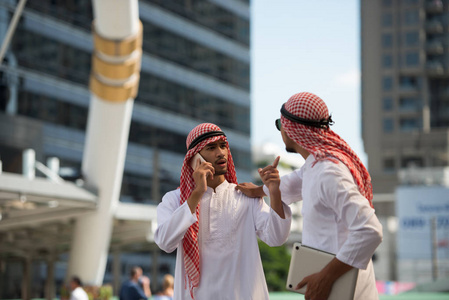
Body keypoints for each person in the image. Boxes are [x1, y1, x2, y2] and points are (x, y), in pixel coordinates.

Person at [236, 92, 383, 300]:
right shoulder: (314, 165)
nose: (280, 131)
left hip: (344, 291)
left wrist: (325, 278)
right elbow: (290, 185)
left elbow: (370, 231)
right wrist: (259, 190)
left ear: (291, 128)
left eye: (280, 124)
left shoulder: (329, 173)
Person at [154, 123, 292, 299]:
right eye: (211, 147)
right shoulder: (174, 200)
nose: (220, 153)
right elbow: (165, 242)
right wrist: (197, 193)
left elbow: (277, 237)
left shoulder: (244, 196)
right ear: (195, 159)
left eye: (223, 146)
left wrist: (274, 191)